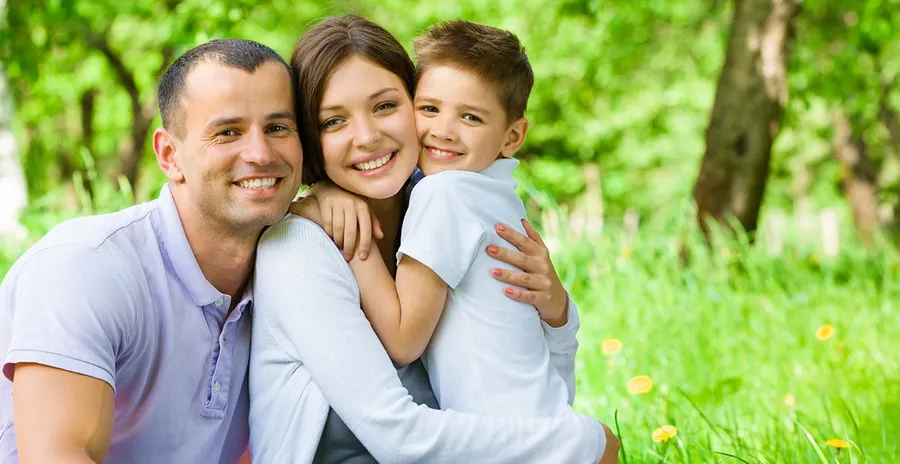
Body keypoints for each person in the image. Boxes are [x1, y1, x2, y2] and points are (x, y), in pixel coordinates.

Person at [249, 14, 619, 464]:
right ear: (310, 137)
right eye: (333, 122)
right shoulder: (298, 247)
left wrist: (558, 313)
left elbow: (532, 384)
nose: (366, 137)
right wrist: (582, 443)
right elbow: (398, 437)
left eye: (385, 106)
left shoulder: (443, 206)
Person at [0, 39, 301, 463]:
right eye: (228, 132)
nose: (260, 153)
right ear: (169, 155)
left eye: (277, 128)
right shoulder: (86, 267)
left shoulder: (290, 273)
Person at [344, 18, 572, 419]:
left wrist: (351, 230)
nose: (443, 131)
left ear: (512, 137)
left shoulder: (445, 193)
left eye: (471, 117)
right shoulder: (496, 194)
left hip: (504, 441)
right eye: (429, 108)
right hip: (545, 419)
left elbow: (402, 341)